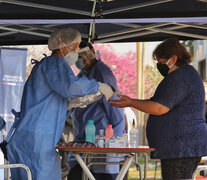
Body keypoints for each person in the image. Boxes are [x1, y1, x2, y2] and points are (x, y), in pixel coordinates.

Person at [6, 28, 114, 180]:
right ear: (63, 46)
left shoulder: (47, 66)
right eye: (75, 47)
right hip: (36, 141)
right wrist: (98, 86)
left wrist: (71, 104)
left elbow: (52, 99)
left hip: (33, 139)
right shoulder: (54, 64)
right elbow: (70, 87)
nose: (77, 52)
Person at [109, 38, 207, 180]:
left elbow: (160, 107)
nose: (159, 66)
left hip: (180, 148)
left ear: (173, 58)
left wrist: (131, 102)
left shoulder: (180, 77)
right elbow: (156, 102)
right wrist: (132, 101)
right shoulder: (184, 75)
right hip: (180, 147)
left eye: (161, 62)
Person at [67, 41, 125, 180]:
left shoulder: (102, 73)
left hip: (101, 143)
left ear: (87, 56)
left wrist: (114, 140)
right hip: (83, 141)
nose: (77, 62)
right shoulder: (83, 74)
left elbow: (115, 108)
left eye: (78, 58)